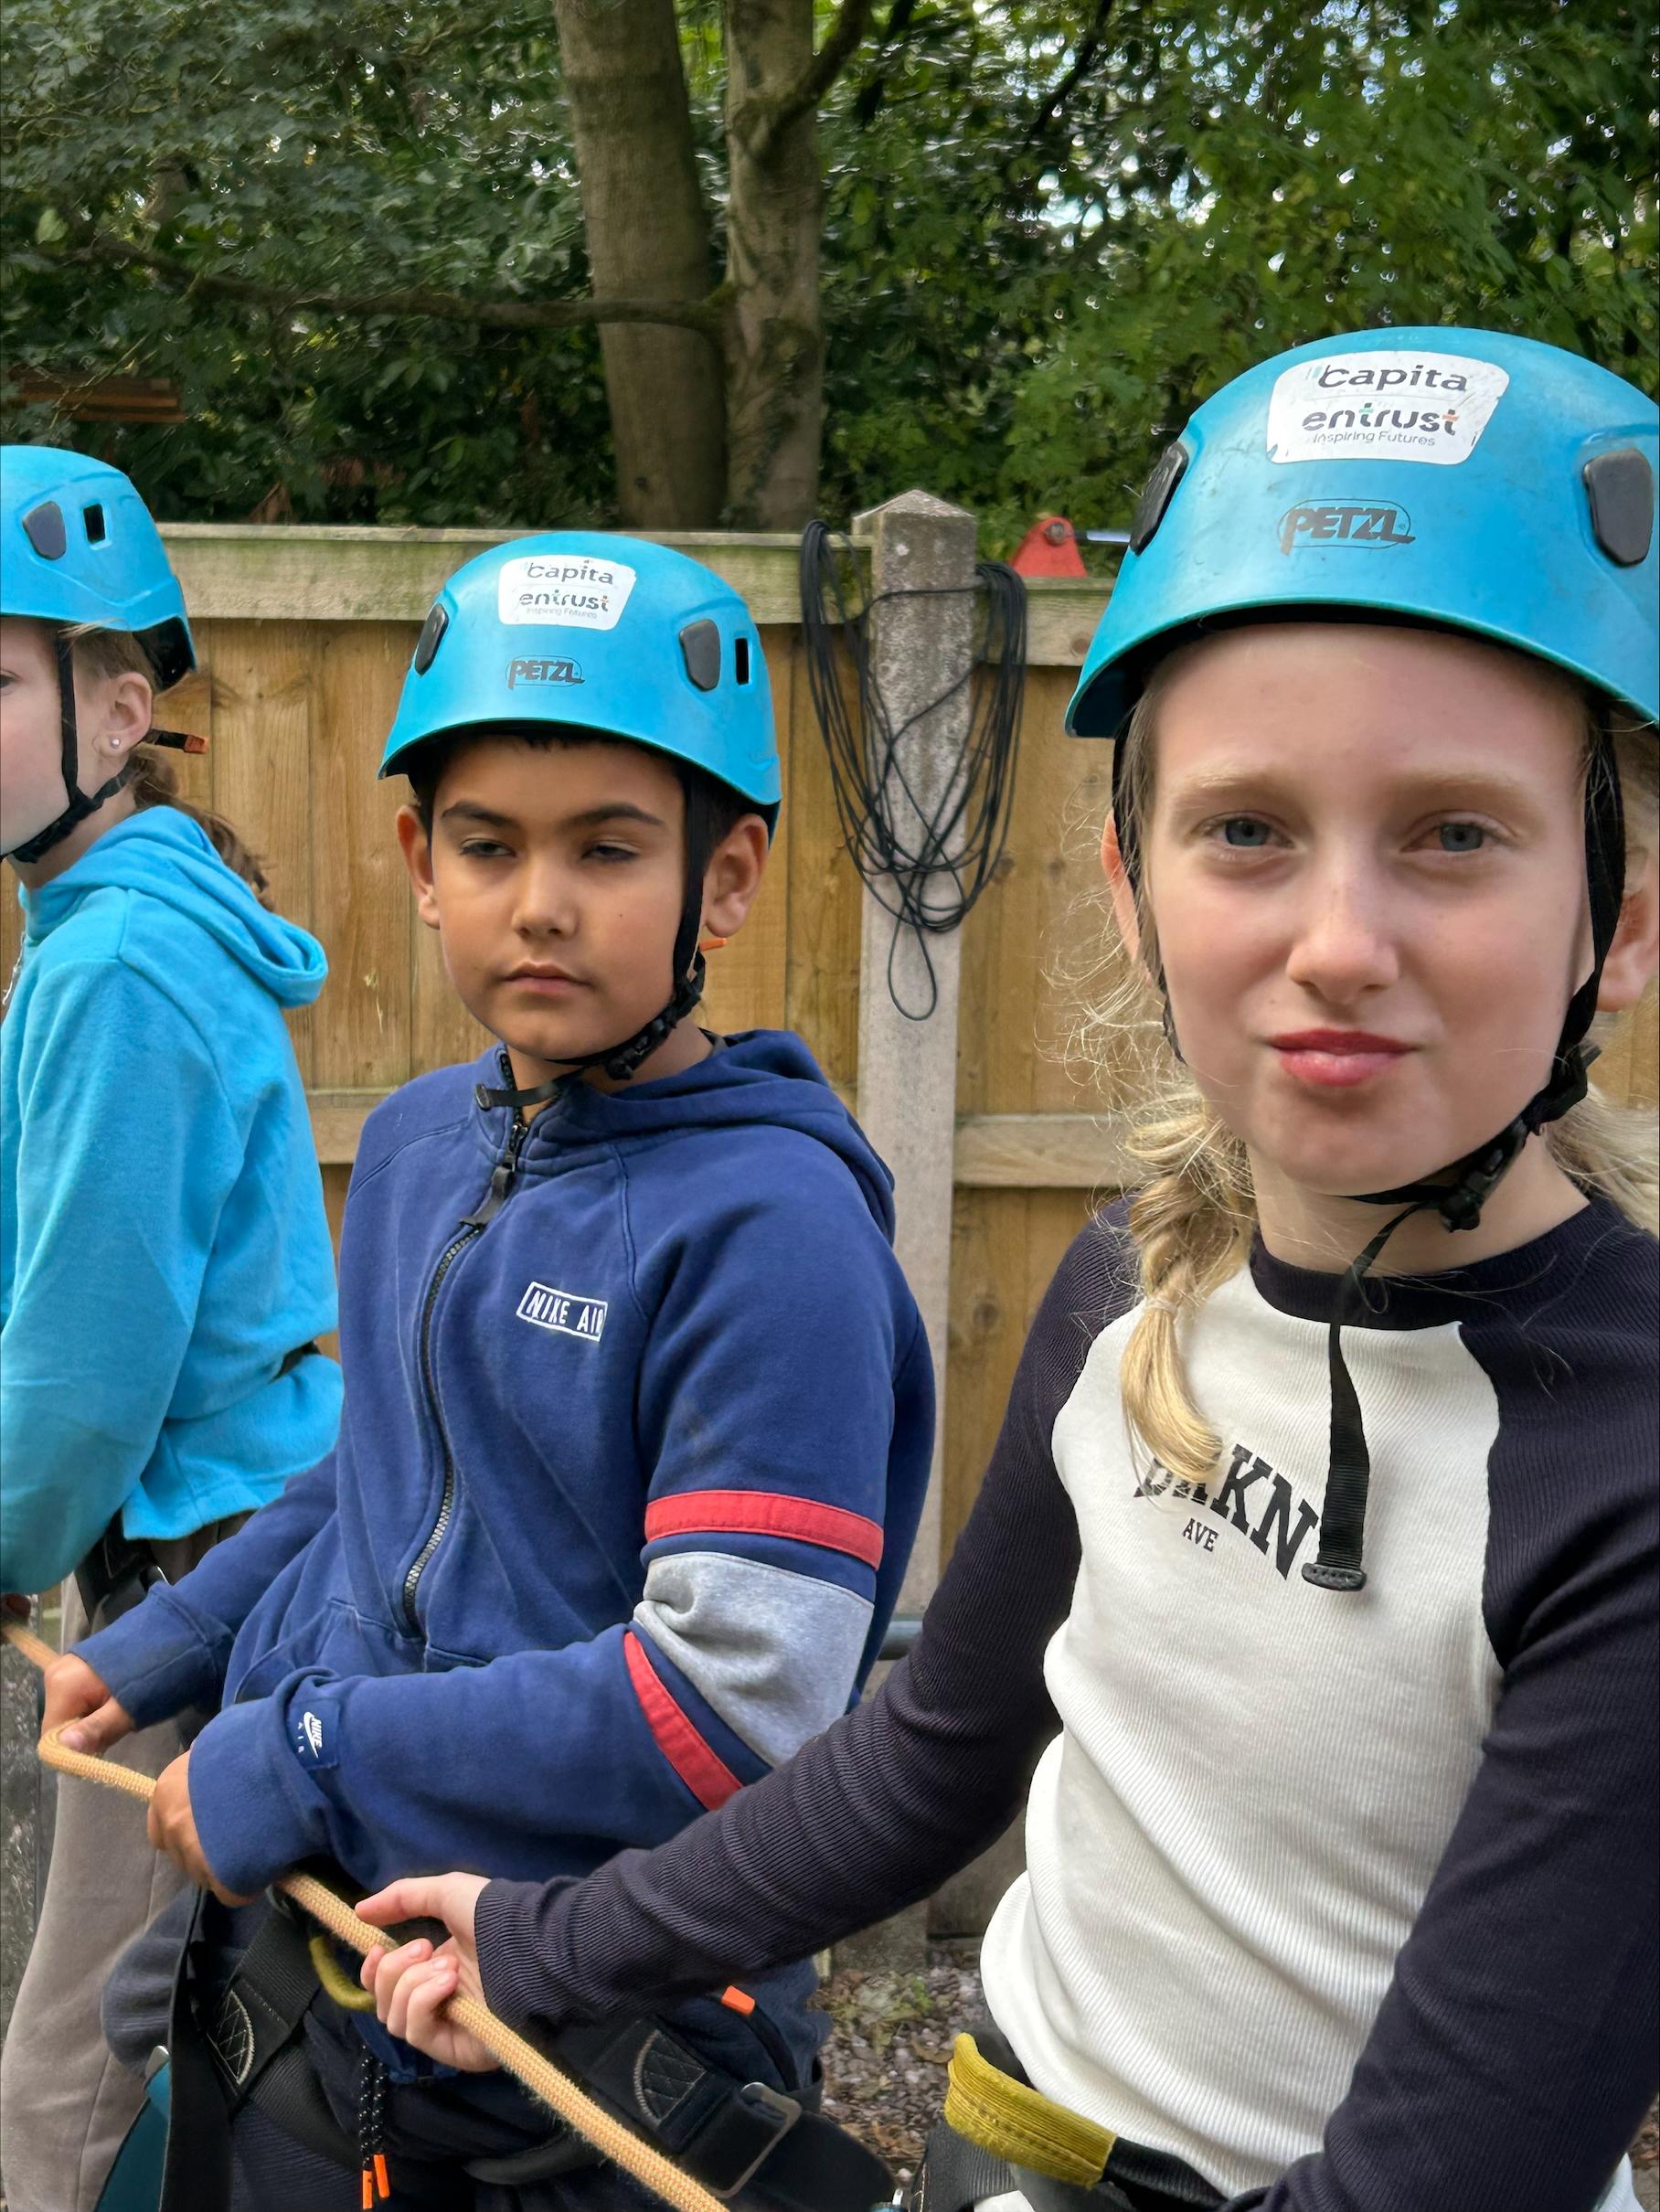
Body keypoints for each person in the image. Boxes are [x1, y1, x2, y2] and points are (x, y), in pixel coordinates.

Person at [356, 331, 1659, 2212]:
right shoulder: (1134, 1279)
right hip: (1008, 2138)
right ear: (1130, 890)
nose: (1335, 941)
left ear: (1620, 916)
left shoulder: (1622, 1463)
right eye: (1245, 831)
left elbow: (1445, 2171)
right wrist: (548, 1942)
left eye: (1452, 835)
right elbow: (929, 1756)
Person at [47, 535, 934, 2209]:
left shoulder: (774, 1236)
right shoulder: (413, 1151)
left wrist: (312, 1753)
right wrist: (179, 1639)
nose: (540, 902)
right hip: (343, 1972)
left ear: (727, 878)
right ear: (419, 863)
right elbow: (375, 1474)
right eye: (489, 844)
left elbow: (730, 1704)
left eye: (608, 847)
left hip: (589, 2018)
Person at [0, 446, 343, 2212]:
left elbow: (84, 1378)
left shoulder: (113, 964)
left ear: (120, 711)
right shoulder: (107, 925)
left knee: (72, 2065)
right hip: (218, 1544)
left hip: (191, 1576)